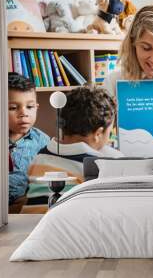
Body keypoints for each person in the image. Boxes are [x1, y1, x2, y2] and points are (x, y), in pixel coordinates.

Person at [27, 87, 123, 205]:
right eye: (110, 132)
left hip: (31, 220)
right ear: (98, 133)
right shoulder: (95, 165)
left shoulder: (41, 155)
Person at [8, 72, 49, 213]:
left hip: (27, 206)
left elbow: (46, 178)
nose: (23, 113)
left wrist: (29, 198)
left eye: (30, 107)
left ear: (37, 107)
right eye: (13, 108)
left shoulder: (43, 141)